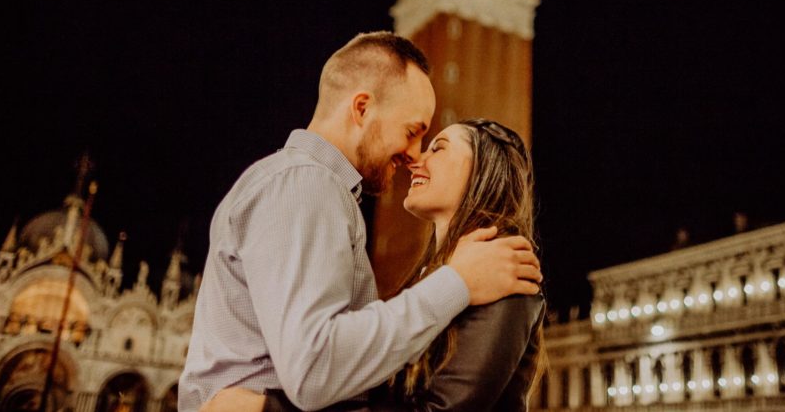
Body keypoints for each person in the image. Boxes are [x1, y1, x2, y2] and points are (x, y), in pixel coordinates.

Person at [179, 33, 542, 411]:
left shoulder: (305, 186)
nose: (414, 156)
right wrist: (458, 282)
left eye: (433, 144)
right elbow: (316, 370)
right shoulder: (306, 184)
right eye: (413, 131)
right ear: (362, 109)